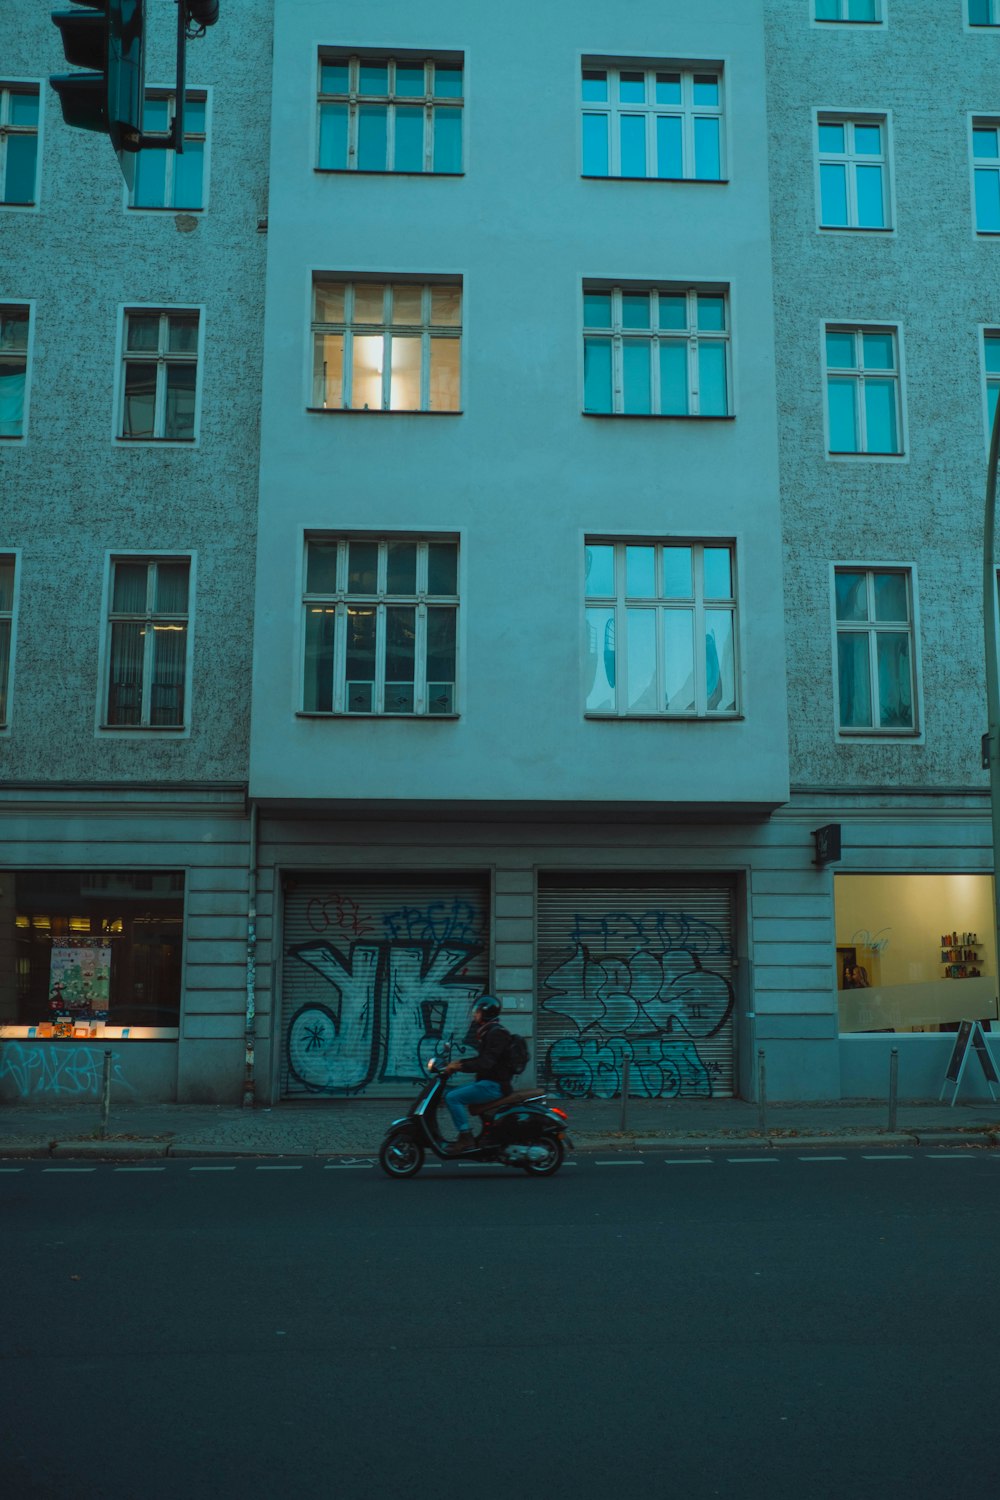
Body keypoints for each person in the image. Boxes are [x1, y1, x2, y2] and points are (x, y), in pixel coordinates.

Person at [441, 996, 512, 1154]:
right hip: (488, 1083)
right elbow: (482, 1059)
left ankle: (466, 1137)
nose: (474, 1015)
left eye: (477, 1012)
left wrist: (460, 1066)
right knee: (449, 1093)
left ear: (486, 1012)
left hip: (494, 1085)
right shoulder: (490, 1031)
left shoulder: (496, 1033)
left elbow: (486, 1062)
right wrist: (459, 1063)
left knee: (453, 1097)